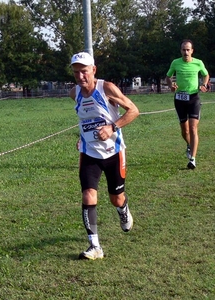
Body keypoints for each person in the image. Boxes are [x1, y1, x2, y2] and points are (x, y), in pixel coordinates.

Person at [69, 52, 140, 260]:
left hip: (114, 152)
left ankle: (123, 208)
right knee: (88, 195)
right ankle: (94, 246)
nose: (80, 76)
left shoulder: (106, 88)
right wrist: (83, 137)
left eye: (84, 71)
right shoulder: (74, 93)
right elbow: (85, 119)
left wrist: (112, 127)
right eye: (76, 73)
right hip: (89, 153)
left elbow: (134, 110)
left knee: (116, 198)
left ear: (93, 70)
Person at [165, 39, 210, 169]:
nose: (186, 52)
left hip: (194, 98)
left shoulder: (198, 63)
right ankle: (190, 145)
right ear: (181, 51)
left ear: (192, 51)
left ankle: (192, 159)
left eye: (188, 49)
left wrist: (204, 84)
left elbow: (206, 75)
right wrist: (171, 85)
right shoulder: (175, 63)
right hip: (179, 98)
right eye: (183, 50)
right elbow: (168, 77)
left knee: (193, 128)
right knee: (184, 131)